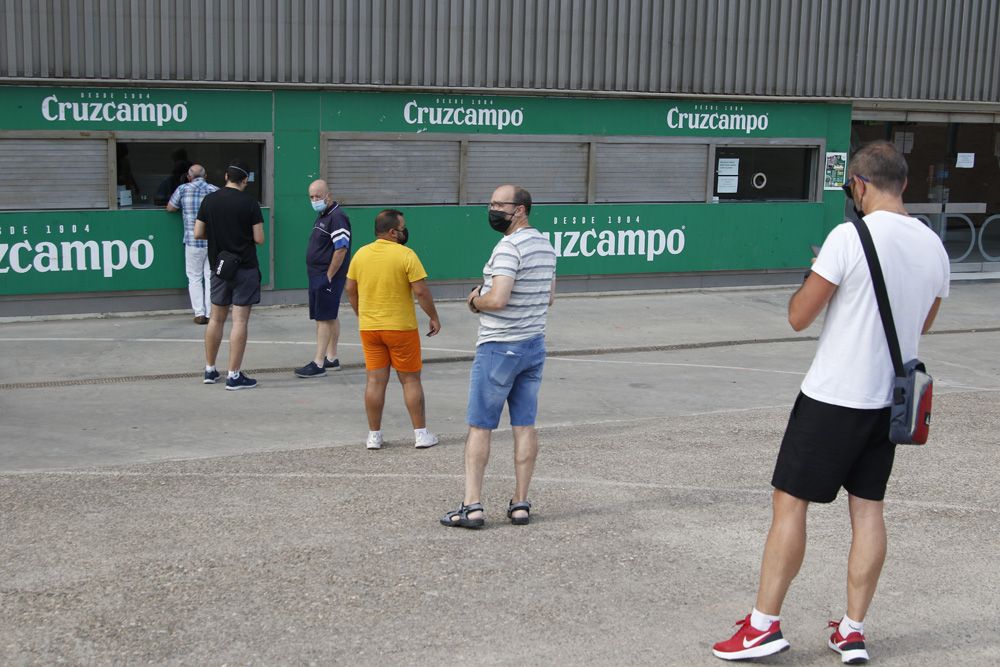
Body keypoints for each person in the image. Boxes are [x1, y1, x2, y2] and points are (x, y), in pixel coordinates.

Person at [712, 141, 949, 663]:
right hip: (889, 404)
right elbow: (920, 326)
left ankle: (763, 626)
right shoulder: (934, 246)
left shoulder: (849, 236)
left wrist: (820, 273)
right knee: (868, 512)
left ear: (859, 186)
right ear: (904, 184)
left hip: (833, 396)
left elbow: (799, 316)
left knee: (790, 504)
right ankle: (852, 629)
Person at [440, 184, 557, 530]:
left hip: (499, 346)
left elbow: (499, 298)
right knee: (524, 424)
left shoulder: (509, 247)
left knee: (480, 426)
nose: (491, 209)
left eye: (497, 204)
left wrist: (476, 299)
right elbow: (548, 297)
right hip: (533, 345)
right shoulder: (546, 245)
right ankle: (520, 503)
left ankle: (471, 505)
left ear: (519, 209)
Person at [344, 209, 441, 450]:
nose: (404, 231)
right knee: (410, 380)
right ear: (392, 231)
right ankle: (421, 434)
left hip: (370, 327)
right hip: (400, 328)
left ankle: (374, 436)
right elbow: (421, 291)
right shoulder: (406, 255)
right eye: (402, 227)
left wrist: (361, 313)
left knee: (375, 381)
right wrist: (433, 316)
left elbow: (350, 289)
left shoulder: (361, 255)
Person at [194, 160, 265, 391]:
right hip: (245, 267)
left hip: (220, 267)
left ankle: (210, 369)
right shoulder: (250, 203)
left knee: (216, 318)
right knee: (240, 321)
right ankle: (234, 375)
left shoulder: (210, 200)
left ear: (226, 176)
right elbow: (259, 238)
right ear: (244, 180)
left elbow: (198, 233)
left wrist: (218, 238)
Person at [295, 180, 351, 378]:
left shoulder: (337, 217)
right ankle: (331, 358)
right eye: (311, 197)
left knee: (323, 318)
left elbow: (341, 248)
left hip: (326, 276)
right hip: (318, 275)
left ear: (328, 195)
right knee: (330, 315)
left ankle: (318, 363)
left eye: (318, 196)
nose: (314, 200)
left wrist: (328, 275)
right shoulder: (323, 216)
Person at [167, 164, 219, 324]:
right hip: (212, 241)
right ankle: (211, 314)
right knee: (210, 277)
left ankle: (199, 313)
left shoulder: (182, 189)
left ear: (189, 177)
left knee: (194, 277)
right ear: (206, 175)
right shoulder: (215, 190)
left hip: (192, 241)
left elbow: (170, 208)